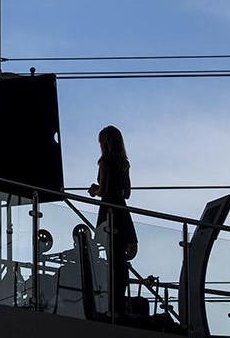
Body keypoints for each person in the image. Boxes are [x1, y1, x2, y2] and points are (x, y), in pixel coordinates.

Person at [88, 125, 138, 318]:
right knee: (120, 263)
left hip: (109, 212)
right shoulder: (123, 163)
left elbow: (105, 190)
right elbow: (127, 192)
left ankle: (113, 307)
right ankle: (119, 305)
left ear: (105, 142)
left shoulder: (105, 162)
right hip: (122, 212)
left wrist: (95, 190)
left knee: (112, 261)